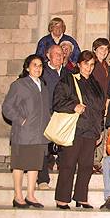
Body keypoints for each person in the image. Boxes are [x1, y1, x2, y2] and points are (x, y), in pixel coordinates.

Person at [53, 50, 105, 209]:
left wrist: (99, 130)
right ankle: (62, 198)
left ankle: (81, 197)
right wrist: (73, 106)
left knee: (86, 166)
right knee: (68, 163)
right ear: (78, 64)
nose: (89, 68)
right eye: (86, 64)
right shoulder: (68, 80)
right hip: (74, 129)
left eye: (92, 65)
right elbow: (57, 102)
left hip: (90, 130)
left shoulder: (95, 83)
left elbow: (99, 109)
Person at [2, 54, 50, 209]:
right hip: (23, 134)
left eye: (40, 65)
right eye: (34, 65)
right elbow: (7, 107)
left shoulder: (43, 86)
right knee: (20, 165)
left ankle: (30, 195)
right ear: (27, 67)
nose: (38, 68)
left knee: (34, 165)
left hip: (39, 134)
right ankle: (18, 196)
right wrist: (21, 120)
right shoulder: (19, 85)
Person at [38, 45, 70, 189]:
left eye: (62, 54)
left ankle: (64, 182)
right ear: (48, 55)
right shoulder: (41, 71)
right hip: (45, 115)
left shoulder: (68, 73)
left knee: (65, 150)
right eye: (56, 54)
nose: (59, 56)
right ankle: (43, 179)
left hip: (63, 117)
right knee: (44, 149)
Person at [91, 38, 110, 174]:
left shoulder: (105, 65)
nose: (104, 51)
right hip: (92, 105)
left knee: (100, 134)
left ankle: (96, 162)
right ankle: (89, 162)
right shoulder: (93, 64)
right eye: (101, 48)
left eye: (106, 49)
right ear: (94, 50)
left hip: (101, 105)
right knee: (92, 134)